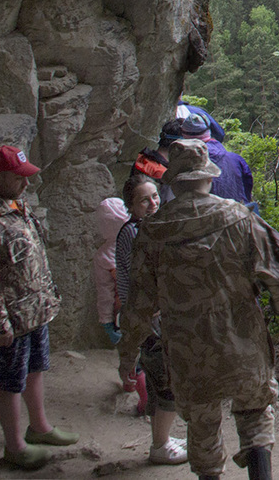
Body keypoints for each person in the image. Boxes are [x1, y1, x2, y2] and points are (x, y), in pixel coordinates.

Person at [118, 140, 279, 480]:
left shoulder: (153, 231)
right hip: (242, 341)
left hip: (189, 351)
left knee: (202, 428)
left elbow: (139, 303)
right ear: (208, 178)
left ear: (173, 181)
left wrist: (128, 355)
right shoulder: (240, 217)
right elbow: (277, 274)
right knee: (255, 415)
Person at [0, 144, 79, 471]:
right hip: (10, 317)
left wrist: (48, 296)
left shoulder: (14, 203)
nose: (27, 184)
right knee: (10, 379)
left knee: (37, 367)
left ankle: (39, 428)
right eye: (19, 177)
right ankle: (14, 446)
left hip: (35, 309)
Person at [115, 172, 187, 465]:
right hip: (148, 319)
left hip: (151, 317)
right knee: (166, 382)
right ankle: (160, 446)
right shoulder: (134, 232)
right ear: (130, 205)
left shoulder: (149, 228)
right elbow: (141, 281)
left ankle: (163, 439)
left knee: (159, 382)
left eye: (155, 196)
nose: (153, 203)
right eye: (144, 200)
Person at [165, 112, 255, 207]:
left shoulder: (187, 163)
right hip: (238, 215)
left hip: (205, 218)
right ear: (208, 131)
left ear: (183, 136)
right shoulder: (236, 159)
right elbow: (247, 192)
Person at [92, 197, 129, 345]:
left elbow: (105, 292)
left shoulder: (104, 255)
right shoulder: (139, 239)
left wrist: (106, 320)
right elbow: (105, 291)